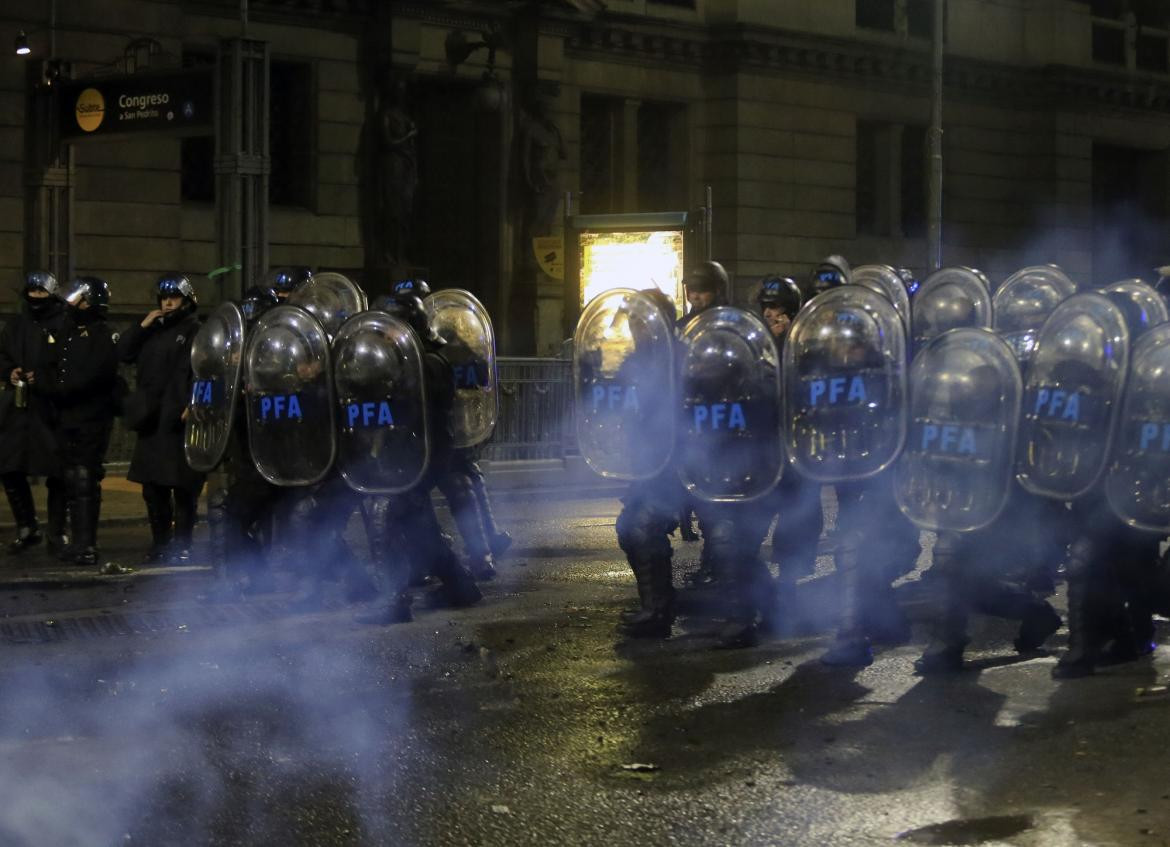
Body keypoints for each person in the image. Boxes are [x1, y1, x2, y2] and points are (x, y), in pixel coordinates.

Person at [117, 274, 205, 564]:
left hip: (178, 419)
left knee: (182, 488)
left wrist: (194, 401)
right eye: (164, 298)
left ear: (187, 300)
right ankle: (160, 543)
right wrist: (141, 327)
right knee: (152, 488)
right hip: (151, 419)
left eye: (174, 297)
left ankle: (182, 545)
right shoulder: (153, 331)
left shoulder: (195, 330)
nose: (168, 302)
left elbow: (205, 369)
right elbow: (124, 353)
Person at [36, 277, 119, 566]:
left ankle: (86, 544)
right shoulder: (64, 332)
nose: (75, 306)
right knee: (64, 477)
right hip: (63, 416)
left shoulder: (103, 335)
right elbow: (47, 366)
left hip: (90, 417)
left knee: (84, 477)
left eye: (81, 300)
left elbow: (95, 376)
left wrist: (61, 391)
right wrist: (50, 391)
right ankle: (63, 539)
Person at [0, 271, 68, 556]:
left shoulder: (64, 323)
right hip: (17, 408)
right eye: (33, 292)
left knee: (57, 472)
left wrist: (43, 378)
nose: (36, 298)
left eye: (42, 293)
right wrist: (9, 371)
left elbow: (69, 362)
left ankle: (56, 531)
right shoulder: (17, 324)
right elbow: (2, 354)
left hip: (49, 408)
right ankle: (27, 527)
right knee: (9, 467)